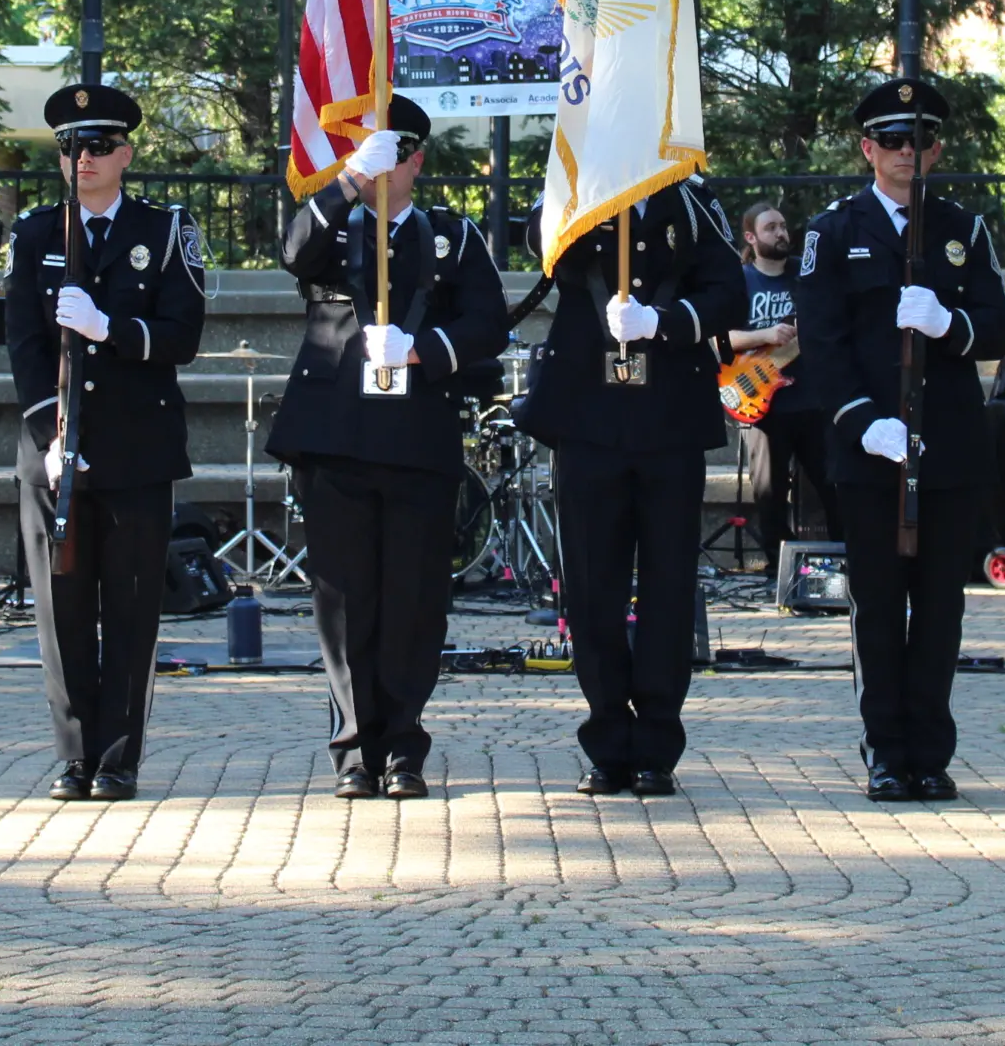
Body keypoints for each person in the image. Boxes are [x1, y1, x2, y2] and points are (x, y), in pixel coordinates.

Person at [269, 95, 507, 801]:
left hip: (415, 437)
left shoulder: (449, 236)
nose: (385, 163)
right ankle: (353, 748)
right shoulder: (336, 224)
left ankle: (402, 745)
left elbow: (488, 322)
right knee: (344, 602)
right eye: (371, 148)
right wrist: (344, 183)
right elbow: (293, 253)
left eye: (394, 151)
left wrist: (426, 348)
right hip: (336, 436)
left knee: (413, 601)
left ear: (416, 160)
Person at [796, 76, 1005, 804]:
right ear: (867, 148)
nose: (905, 152)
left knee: (942, 604)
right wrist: (863, 420)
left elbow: (998, 329)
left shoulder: (961, 229)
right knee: (879, 607)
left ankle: (931, 750)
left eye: (917, 139)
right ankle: (886, 750)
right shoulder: (834, 231)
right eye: (891, 139)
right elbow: (821, 346)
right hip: (869, 448)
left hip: (947, 447)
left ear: (935, 147)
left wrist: (950, 325)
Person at [4, 84, 207, 802]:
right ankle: (75, 753)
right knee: (61, 613)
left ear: (125, 152)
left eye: (95, 146)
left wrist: (110, 328)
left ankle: (118, 755)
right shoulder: (35, 234)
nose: (80, 159)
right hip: (55, 452)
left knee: (129, 608)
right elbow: (25, 346)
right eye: (69, 147)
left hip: (135, 446)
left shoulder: (164, 229)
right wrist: (49, 434)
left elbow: (184, 334)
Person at [515, 175, 747, 798]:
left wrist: (665, 322)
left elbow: (730, 293)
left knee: (669, 589)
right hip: (588, 419)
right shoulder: (576, 190)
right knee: (592, 589)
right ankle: (608, 741)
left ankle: (657, 749)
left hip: (669, 420)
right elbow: (535, 243)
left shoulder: (692, 199)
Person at [725, 201, 840, 566]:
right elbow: (720, 340)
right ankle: (780, 569)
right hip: (760, 400)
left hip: (810, 399)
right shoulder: (740, 280)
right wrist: (767, 333)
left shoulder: (804, 276)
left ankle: (846, 560)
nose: (781, 233)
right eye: (771, 227)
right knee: (769, 493)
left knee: (833, 484)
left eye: (783, 226)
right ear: (750, 236)